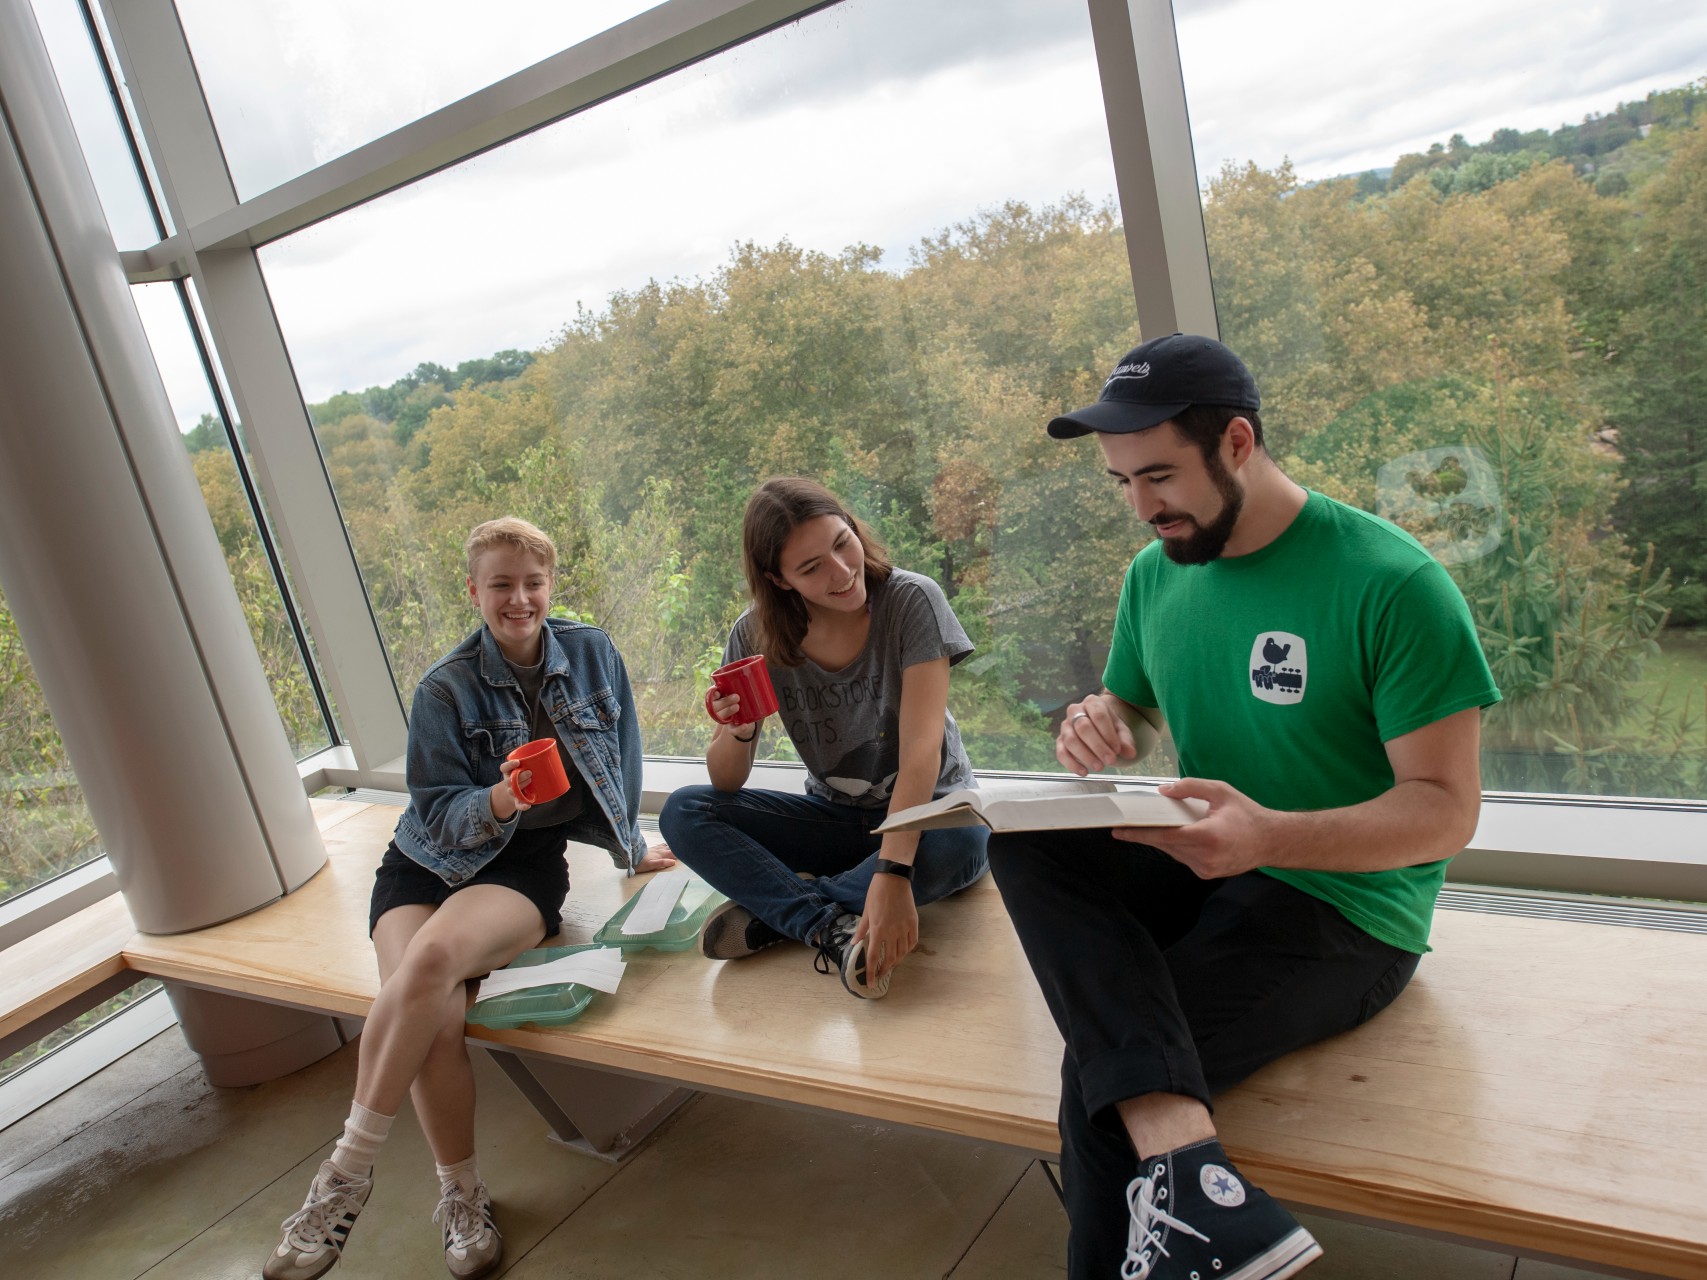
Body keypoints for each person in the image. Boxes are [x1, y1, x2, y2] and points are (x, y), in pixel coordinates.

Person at [988, 334, 1499, 1280]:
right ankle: (1192, 1175)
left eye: (1158, 476)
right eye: (1122, 484)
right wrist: (1102, 726)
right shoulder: (1157, 573)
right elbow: (1136, 711)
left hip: (1347, 909)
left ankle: (1174, 1201)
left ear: (1234, 442)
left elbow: (1444, 811)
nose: (1143, 508)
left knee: (1104, 1089)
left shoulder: (1393, 584)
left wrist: (1269, 836)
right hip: (1209, 855)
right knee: (1023, 847)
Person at [263, 517, 673, 1280]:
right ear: (473, 591)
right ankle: (461, 1196)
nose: (519, 599)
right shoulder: (444, 687)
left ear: (550, 585)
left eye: (532, 583)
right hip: (425, 863)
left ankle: (344, 1172)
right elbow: (434, 811)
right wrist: (501, 798)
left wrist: (630, 845)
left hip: (520, 870)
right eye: (501, 585)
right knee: (435, 1010)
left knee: (430, 963)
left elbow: (620, 757)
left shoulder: (592, 652)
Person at [659, 477, 989, 999]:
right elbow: (726, 779)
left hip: (929, 813)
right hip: (835, 819)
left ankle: (787, 911)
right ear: (780, 579)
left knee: (965, 837)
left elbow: (923, 754)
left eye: (842, 543)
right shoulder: (754, 634)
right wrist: (739, 729)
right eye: (811, 568)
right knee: (683, 811)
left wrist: (893, 872)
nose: (841, 572)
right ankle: (828, 924)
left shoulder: (911, 601)